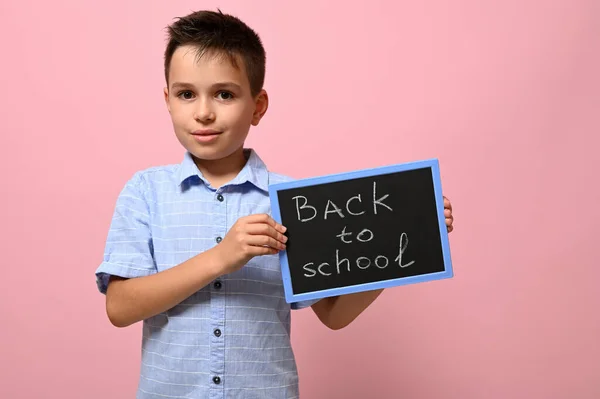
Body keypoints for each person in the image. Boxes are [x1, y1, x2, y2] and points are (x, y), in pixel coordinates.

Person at [95, 9, 455, 398]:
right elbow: (120, 307)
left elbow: (333, 314)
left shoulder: (293, 202)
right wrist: (221, 257)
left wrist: (402, 244)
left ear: (258, 105)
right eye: (186, 94)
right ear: (168, 100)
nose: (203, 111)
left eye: (225, 94)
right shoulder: (145, 191)